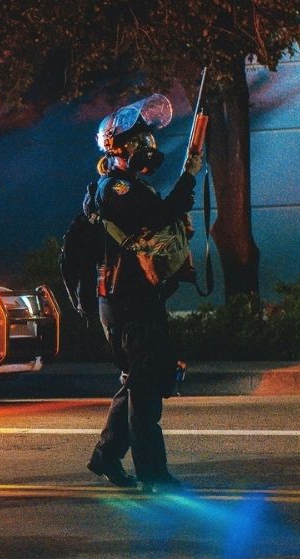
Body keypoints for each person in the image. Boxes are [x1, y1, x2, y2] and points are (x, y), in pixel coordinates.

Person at [86, 94, 202, 493]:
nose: (145, 148)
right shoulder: (115, 188)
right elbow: (159, 216)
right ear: (117, 150)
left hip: (137, 298)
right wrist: (188, 175)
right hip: (125, 302)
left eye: (145, 141)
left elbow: (161, 223)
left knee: (138, 381)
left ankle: (104, 457)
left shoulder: (133, 185)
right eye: (136, 143)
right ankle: (153, 474)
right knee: (145, 389)